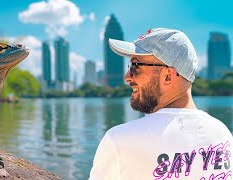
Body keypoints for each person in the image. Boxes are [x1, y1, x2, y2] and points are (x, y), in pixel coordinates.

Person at [89, 28, 233, 179]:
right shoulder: (222, 134)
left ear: (168, 77)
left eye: (135, 66)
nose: (127, 77)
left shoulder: (119, 140)